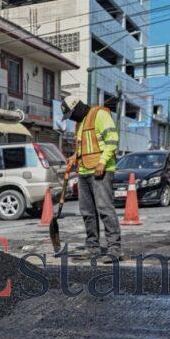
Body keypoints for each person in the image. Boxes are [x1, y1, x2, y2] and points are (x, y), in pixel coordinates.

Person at [62, 96, 121, 262]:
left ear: (78, 107)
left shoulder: (99, 115)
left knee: (104, 208)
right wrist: (74, 156)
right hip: (83, 170)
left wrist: (102, 162)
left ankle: (114, 248)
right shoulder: (80, 123)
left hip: (101, 169)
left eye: (72, 113)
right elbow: (85, 146)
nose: (72, 118)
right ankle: (92, 247)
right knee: (87, 211)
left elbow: (112, 140)